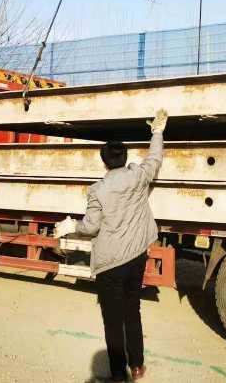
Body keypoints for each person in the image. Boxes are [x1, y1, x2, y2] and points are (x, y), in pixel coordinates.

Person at [55, 109, 168, 382]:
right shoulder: (138, 175)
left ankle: (118, 374)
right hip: (137, 256)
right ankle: (137, 366)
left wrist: (71, 226)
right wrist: (157, 132)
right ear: (125, 158)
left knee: (113, 319)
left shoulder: (98, 189)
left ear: (104, 162)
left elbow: (91, 227)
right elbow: (155, 159)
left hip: (110, 263)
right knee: (132, 311)